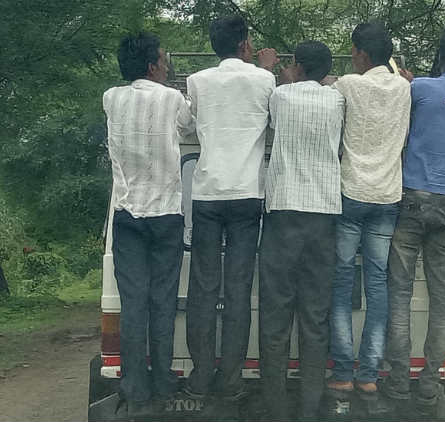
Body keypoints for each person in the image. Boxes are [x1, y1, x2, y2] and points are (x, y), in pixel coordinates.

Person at [382, 29, 445, 409]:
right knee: (442, 303)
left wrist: (407, 81)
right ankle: (429, 387)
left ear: (441, 56)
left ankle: (397, 384)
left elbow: (407, 112)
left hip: (412, 199)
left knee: (399, 295)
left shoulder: (420, 88)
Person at [183, 15, 279, 402]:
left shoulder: (197, 81)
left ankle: (201, 375)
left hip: (207, 193)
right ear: (244, 45)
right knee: (239, 290)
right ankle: (231, 379)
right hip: (247, 194)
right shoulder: (264, 79)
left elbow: (190, 125)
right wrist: (267, 68)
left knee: (203, 289)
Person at [102, 32, 195, 415]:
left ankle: (135, 389)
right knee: (162, 302)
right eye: (164, 58)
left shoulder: (111, 98)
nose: (167, 64)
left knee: (133, 304)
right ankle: (163, 383)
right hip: (166, 215)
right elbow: (189, 126)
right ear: (154, 65)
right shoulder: (173, 99)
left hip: (127, 216)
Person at [258, 40, 345, 420]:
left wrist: (285, 78)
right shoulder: (338, 101)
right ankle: (310, 407)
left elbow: (276, 109)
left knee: (276, 316)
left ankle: (275, 407)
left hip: (283, 213)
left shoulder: (281, 96)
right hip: (324, 215)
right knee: (315, 316)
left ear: (296, 65)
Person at [327, 21, 411, 397]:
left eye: (353, 51)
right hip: (387, 196)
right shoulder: (404, 88)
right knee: (378, 284)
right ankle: (369, 375)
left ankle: (343, 372)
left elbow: (323, 94)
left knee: (343, 282)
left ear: (361, 53)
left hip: (351, 193)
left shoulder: (348, 84)